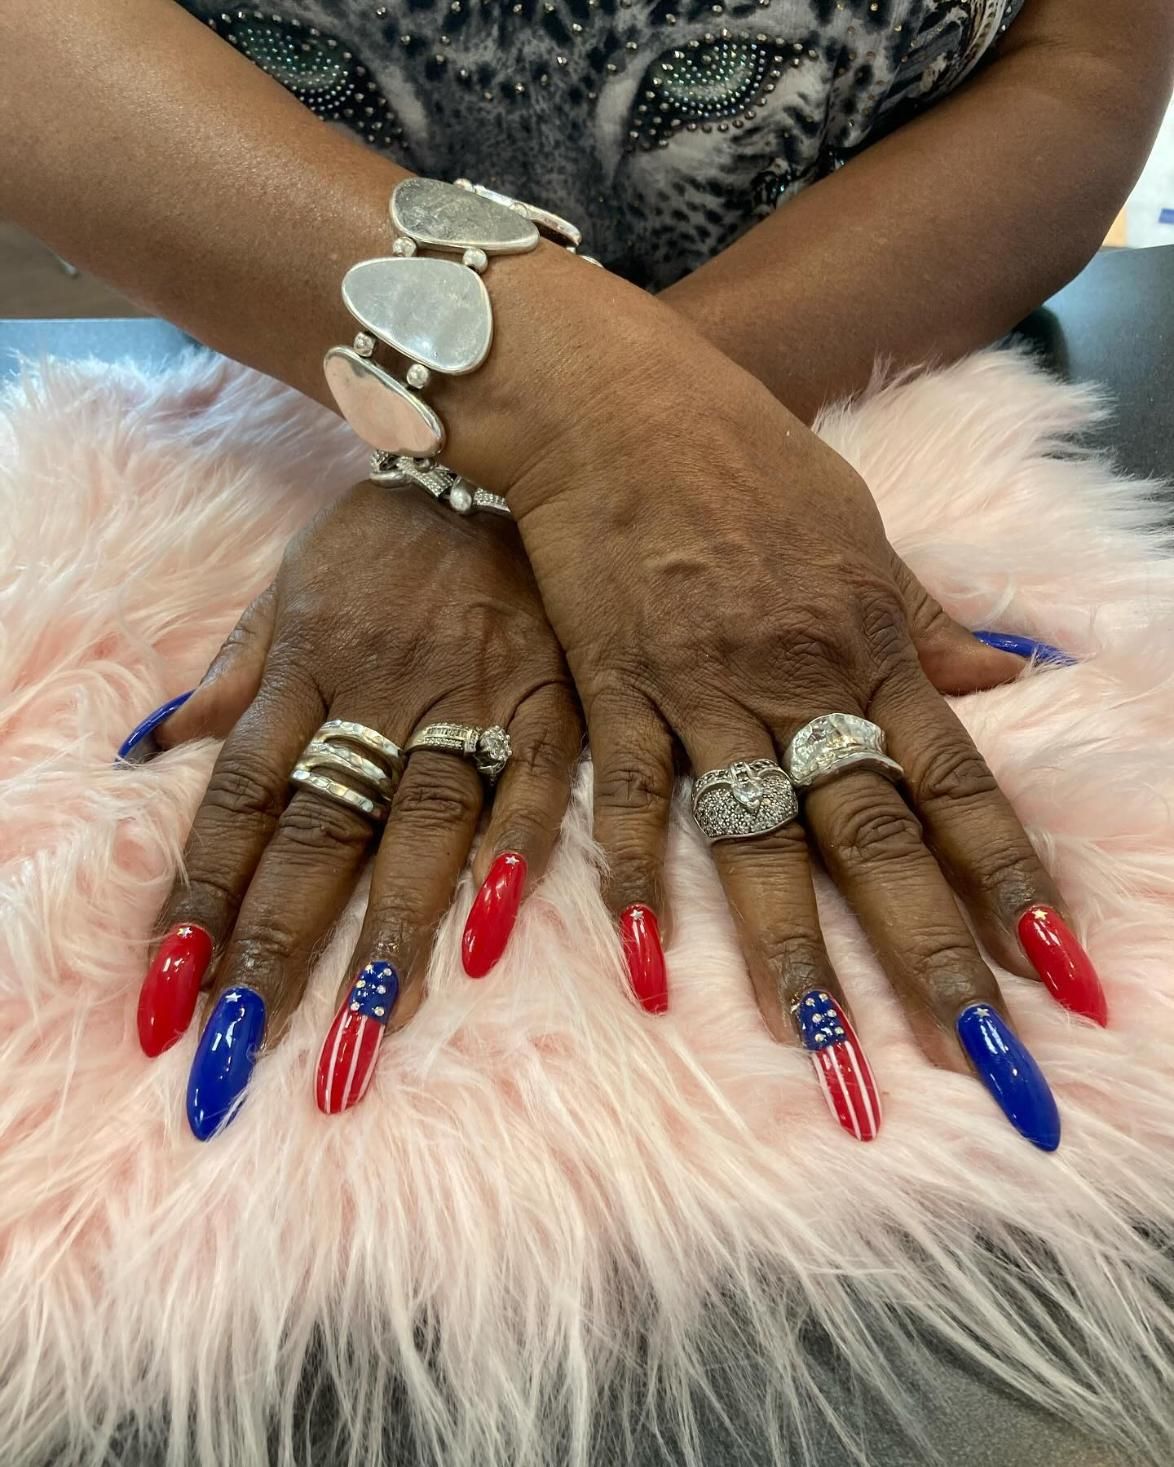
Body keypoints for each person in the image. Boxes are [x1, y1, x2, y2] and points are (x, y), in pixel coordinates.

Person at [1, 1, 1168, 1144]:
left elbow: (1078, 61)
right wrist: (574, 407)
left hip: (893, 326)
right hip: (281, 332)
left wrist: (600, 433)